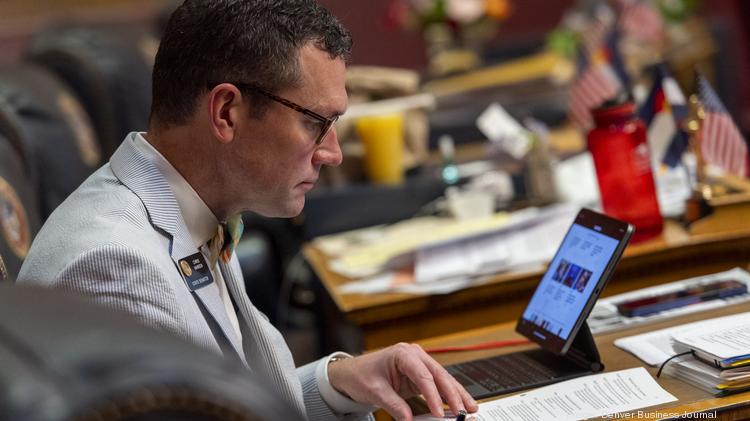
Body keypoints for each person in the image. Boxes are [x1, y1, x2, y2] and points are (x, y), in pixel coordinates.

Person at [17, 1, 478, 420]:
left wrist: (339, 383)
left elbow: (214, 405)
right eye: (316, 122)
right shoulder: (114, 266)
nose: (332, 152)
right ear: (227, 113)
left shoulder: (189, 206)